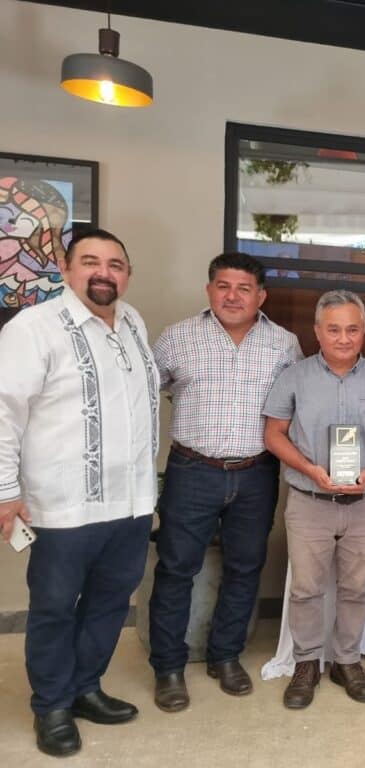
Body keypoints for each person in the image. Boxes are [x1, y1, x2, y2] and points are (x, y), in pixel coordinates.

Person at [0, 229, 159, 757]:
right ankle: (51, 706)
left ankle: (85, 688)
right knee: (54, 607)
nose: (103, 273)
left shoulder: (133, 321)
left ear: (127, 275)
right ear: (66, 270)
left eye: (115, 264)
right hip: (62, 504)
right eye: (90, 262)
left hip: (131, 502)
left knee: (111, 602)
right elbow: (3, 412)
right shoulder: (34, 328)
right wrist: (5, 490)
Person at [147, 252, 302, 712]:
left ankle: (225, 656)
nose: (233, 296)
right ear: (209, 289)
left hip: (256, 473)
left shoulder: (284, 344)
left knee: (245, 567)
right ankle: (168, 667)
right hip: (192, 471)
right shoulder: (177, 337)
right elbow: (142, 395)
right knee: (176, 569)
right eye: (223, 286)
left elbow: (297, 406)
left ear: (261, 296)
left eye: (244, 288)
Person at [263, 289, 365, 709]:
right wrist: (310, 469)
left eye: (352, 329)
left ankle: (347, 661)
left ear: (364, 331)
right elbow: (273, 434)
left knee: (356, 588)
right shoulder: (294, 377)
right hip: (309, 501)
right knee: (306, 589)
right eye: (333, 330)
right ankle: (306, 663)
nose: (343, 338)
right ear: (317, 331)